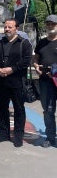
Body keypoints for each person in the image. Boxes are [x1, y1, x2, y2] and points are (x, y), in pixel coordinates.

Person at [0, 18, 32, 147]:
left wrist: (12, 69)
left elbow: (26, 60)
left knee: (19, 109)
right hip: (0, 81)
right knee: (2, 108)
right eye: (5, 27)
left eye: (10, 27)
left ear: (16, 28)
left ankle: (18, 135)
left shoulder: (24, 43)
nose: (7, 29)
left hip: (17, 81)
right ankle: (3, 133)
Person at [33, 14, 57, 148]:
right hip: (45, 82)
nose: (50, 26)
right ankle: (50, 137)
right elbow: (36, 58)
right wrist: (36, 66)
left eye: (52, 24)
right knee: (48, 110)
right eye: (48, 23)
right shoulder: (41, 42)